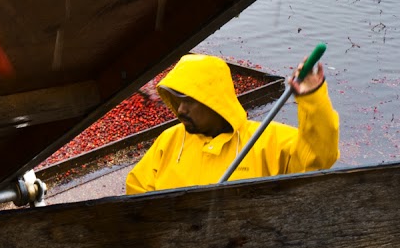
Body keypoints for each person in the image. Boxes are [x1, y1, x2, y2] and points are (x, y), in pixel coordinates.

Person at [125, 53, 339, 195]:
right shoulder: (169, 140)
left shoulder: (266, 139)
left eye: (189, 102)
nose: (180, 110)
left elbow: (318, 158)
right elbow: (137, 191)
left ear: (214, 101)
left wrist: (313, 98)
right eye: (178, 101)